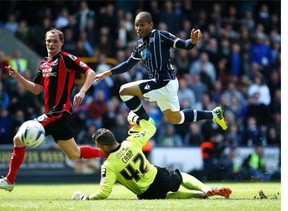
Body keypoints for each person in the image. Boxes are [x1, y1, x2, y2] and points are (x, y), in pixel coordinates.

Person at [0, 28, 107, 192]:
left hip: (59, 112)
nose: (51, 44)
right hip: (54, 115)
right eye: (48, 41)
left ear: (62, 42)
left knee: (18, 139)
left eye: (55, 41)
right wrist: (18, 77)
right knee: (74, 154)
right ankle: (110, 153)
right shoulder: (43, 62)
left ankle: (9, 180)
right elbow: (37, 89)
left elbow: (91, 73)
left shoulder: (66, 58)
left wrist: (82, 91)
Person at [95, 11, 227, 134]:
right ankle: (214, 114)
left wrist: (192, 41)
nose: (138, 28)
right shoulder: (140, 44)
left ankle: (145, 122)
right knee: (175, 118)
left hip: (164, 82)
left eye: (142, 25)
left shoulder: (161, 35)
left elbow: (185, 45)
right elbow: (128, 64)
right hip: (165, 84)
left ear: (151, 25)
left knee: (124, 91)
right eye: (136, 25)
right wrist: (108, 72)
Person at [72, 112, 232, 200]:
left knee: (169, 196)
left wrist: (85, 198)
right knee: (180, 177)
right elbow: (151, 127)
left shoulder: (108, 165)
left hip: (146, 193)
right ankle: (205, 189)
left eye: (99, 146)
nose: (99, 149)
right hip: (158, 176)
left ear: (105, 146)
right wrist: (134, 118)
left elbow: (104, 193)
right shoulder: (131, 142)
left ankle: (200, 195)